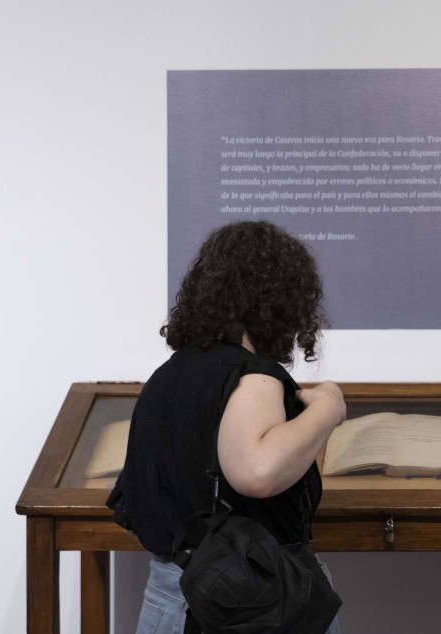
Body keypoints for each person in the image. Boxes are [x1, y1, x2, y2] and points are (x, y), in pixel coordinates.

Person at [106, 220, 346, 633]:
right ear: (280, 299)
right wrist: (328, 407)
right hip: (247, 608)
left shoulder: (164, 378)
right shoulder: (254, 375)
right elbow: (257, 471)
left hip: (166, 604)